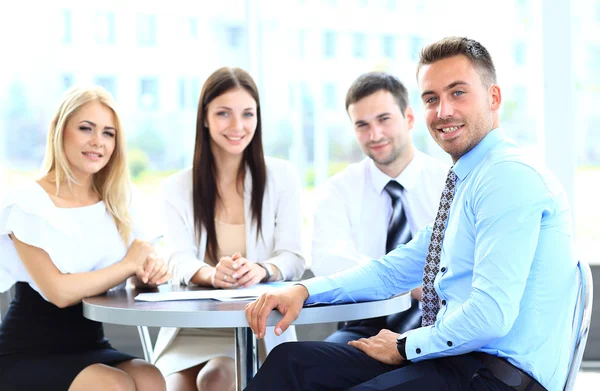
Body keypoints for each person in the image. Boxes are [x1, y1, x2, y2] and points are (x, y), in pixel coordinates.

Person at [244, 37, 577, 391]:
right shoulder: (469, 179)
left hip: (497, 378)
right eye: (432, 99)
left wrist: (405, 346)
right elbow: (393, 271)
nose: (443, 111)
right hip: (456, 363)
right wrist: (305, 290)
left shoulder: (506, 177)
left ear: (493, 98)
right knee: (291, 363)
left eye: (458, 93)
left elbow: (490, 315)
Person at [0, 86, 169, 391]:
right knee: (112, 385)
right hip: (27, 351)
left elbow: (133, 278)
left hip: (90, 343)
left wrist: (147, 275)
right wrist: (130, 263)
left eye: (108, 133)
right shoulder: (27, 202)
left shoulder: (118, 202)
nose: (97, 142)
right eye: (85, 129)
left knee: (151, 377)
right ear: (60, 131)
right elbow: (60, 292)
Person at [153, 67, 306, 391]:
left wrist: (262, 270)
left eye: (247, 114)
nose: (238, 126)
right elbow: (176, 258)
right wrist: (210, 275)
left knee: (217, 377)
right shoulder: (177, 187)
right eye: (224, 113)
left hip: (256, 326)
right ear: (205, 118)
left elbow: (294, 257)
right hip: (191, 329)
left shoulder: (282, 177)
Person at [311, 72, 448, 343]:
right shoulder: (340, 188)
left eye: (384, 119)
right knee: (304, 365)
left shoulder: (448, 183)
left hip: (439, 324)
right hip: (364, 325)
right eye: (362, 125)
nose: (375, 134)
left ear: (409, 118)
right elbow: (325, 260)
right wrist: (400, 280)